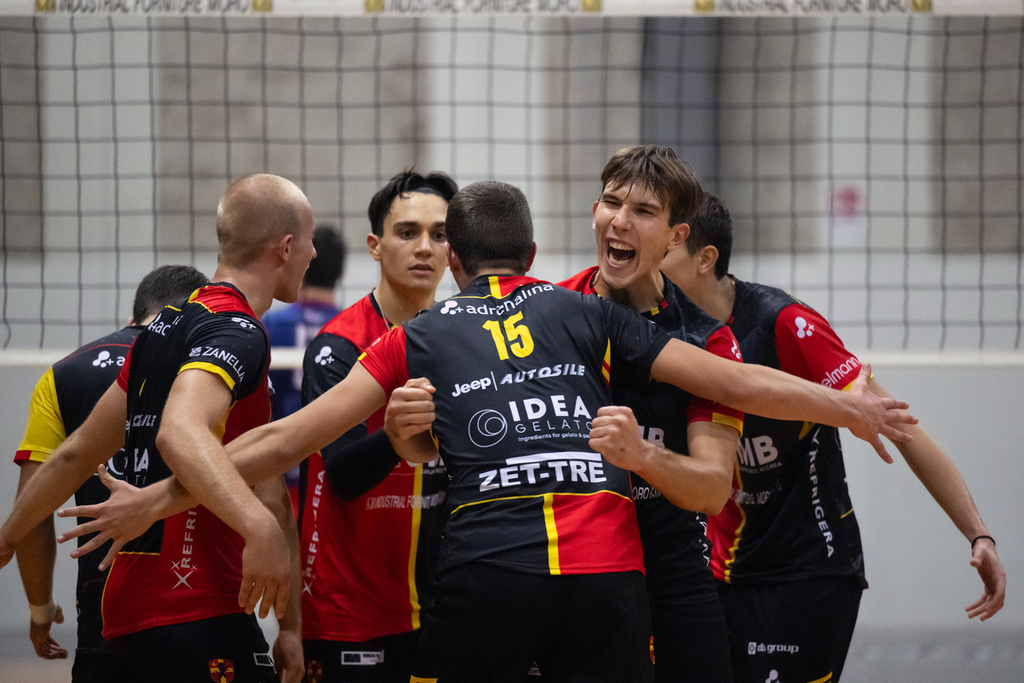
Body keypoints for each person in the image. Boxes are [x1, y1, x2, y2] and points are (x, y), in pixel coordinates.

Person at [53, 180, 916, 683]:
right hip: (607, 579)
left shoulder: (418, 334)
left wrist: (160, 497)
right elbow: (735, 379)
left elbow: (289, 442)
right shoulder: (585, 313)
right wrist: (850, 406)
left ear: (456, 263)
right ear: (534, 256)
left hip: (488, 576)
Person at [660, 193, 1007, 683]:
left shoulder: (785, 325)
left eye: (668, 247)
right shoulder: (667, 332)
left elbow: (903, 428)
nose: (652, 256)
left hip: (807, 572)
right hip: (720, 570)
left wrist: (978, 533)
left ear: (704, 259)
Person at [0, 173, 317, 683]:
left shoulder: (164, 325)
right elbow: (182, 434)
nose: (314, 253)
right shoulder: (239, 330)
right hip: (193, 600)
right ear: (284, 248)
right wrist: (261, 530)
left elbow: (77, 453)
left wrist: (9, 534)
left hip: (125, 610)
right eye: (309, 240)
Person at [559, 145, 740, 683]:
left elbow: (712, 490)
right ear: (595, 211)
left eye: (642, 211)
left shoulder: (707, 341)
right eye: (612, 203)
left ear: (676, 236)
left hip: (671, 576)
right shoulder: (552, 311)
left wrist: (641, 455)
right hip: (572, 573)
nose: (620, 221)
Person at [13, 264, 208, 682]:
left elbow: (31, 510)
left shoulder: (62, 376)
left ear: (132, 317)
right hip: (199, 613)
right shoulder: (211, 371)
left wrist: (40, 608)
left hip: (103, 617)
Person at [297, 170, 456, 683]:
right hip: (350, 613)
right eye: (408, 232)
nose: (425, 247)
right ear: (375, 246)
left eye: (439, 234)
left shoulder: (461, 339)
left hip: (439, 608)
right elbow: (342, 475)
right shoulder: (338, 347)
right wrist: (393, 439)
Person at [263, 224, 346, 420]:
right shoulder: (350, 328)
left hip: (277, 432)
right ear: (341, 271)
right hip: (332, 434)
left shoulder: (270, 324)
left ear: (302, 265)